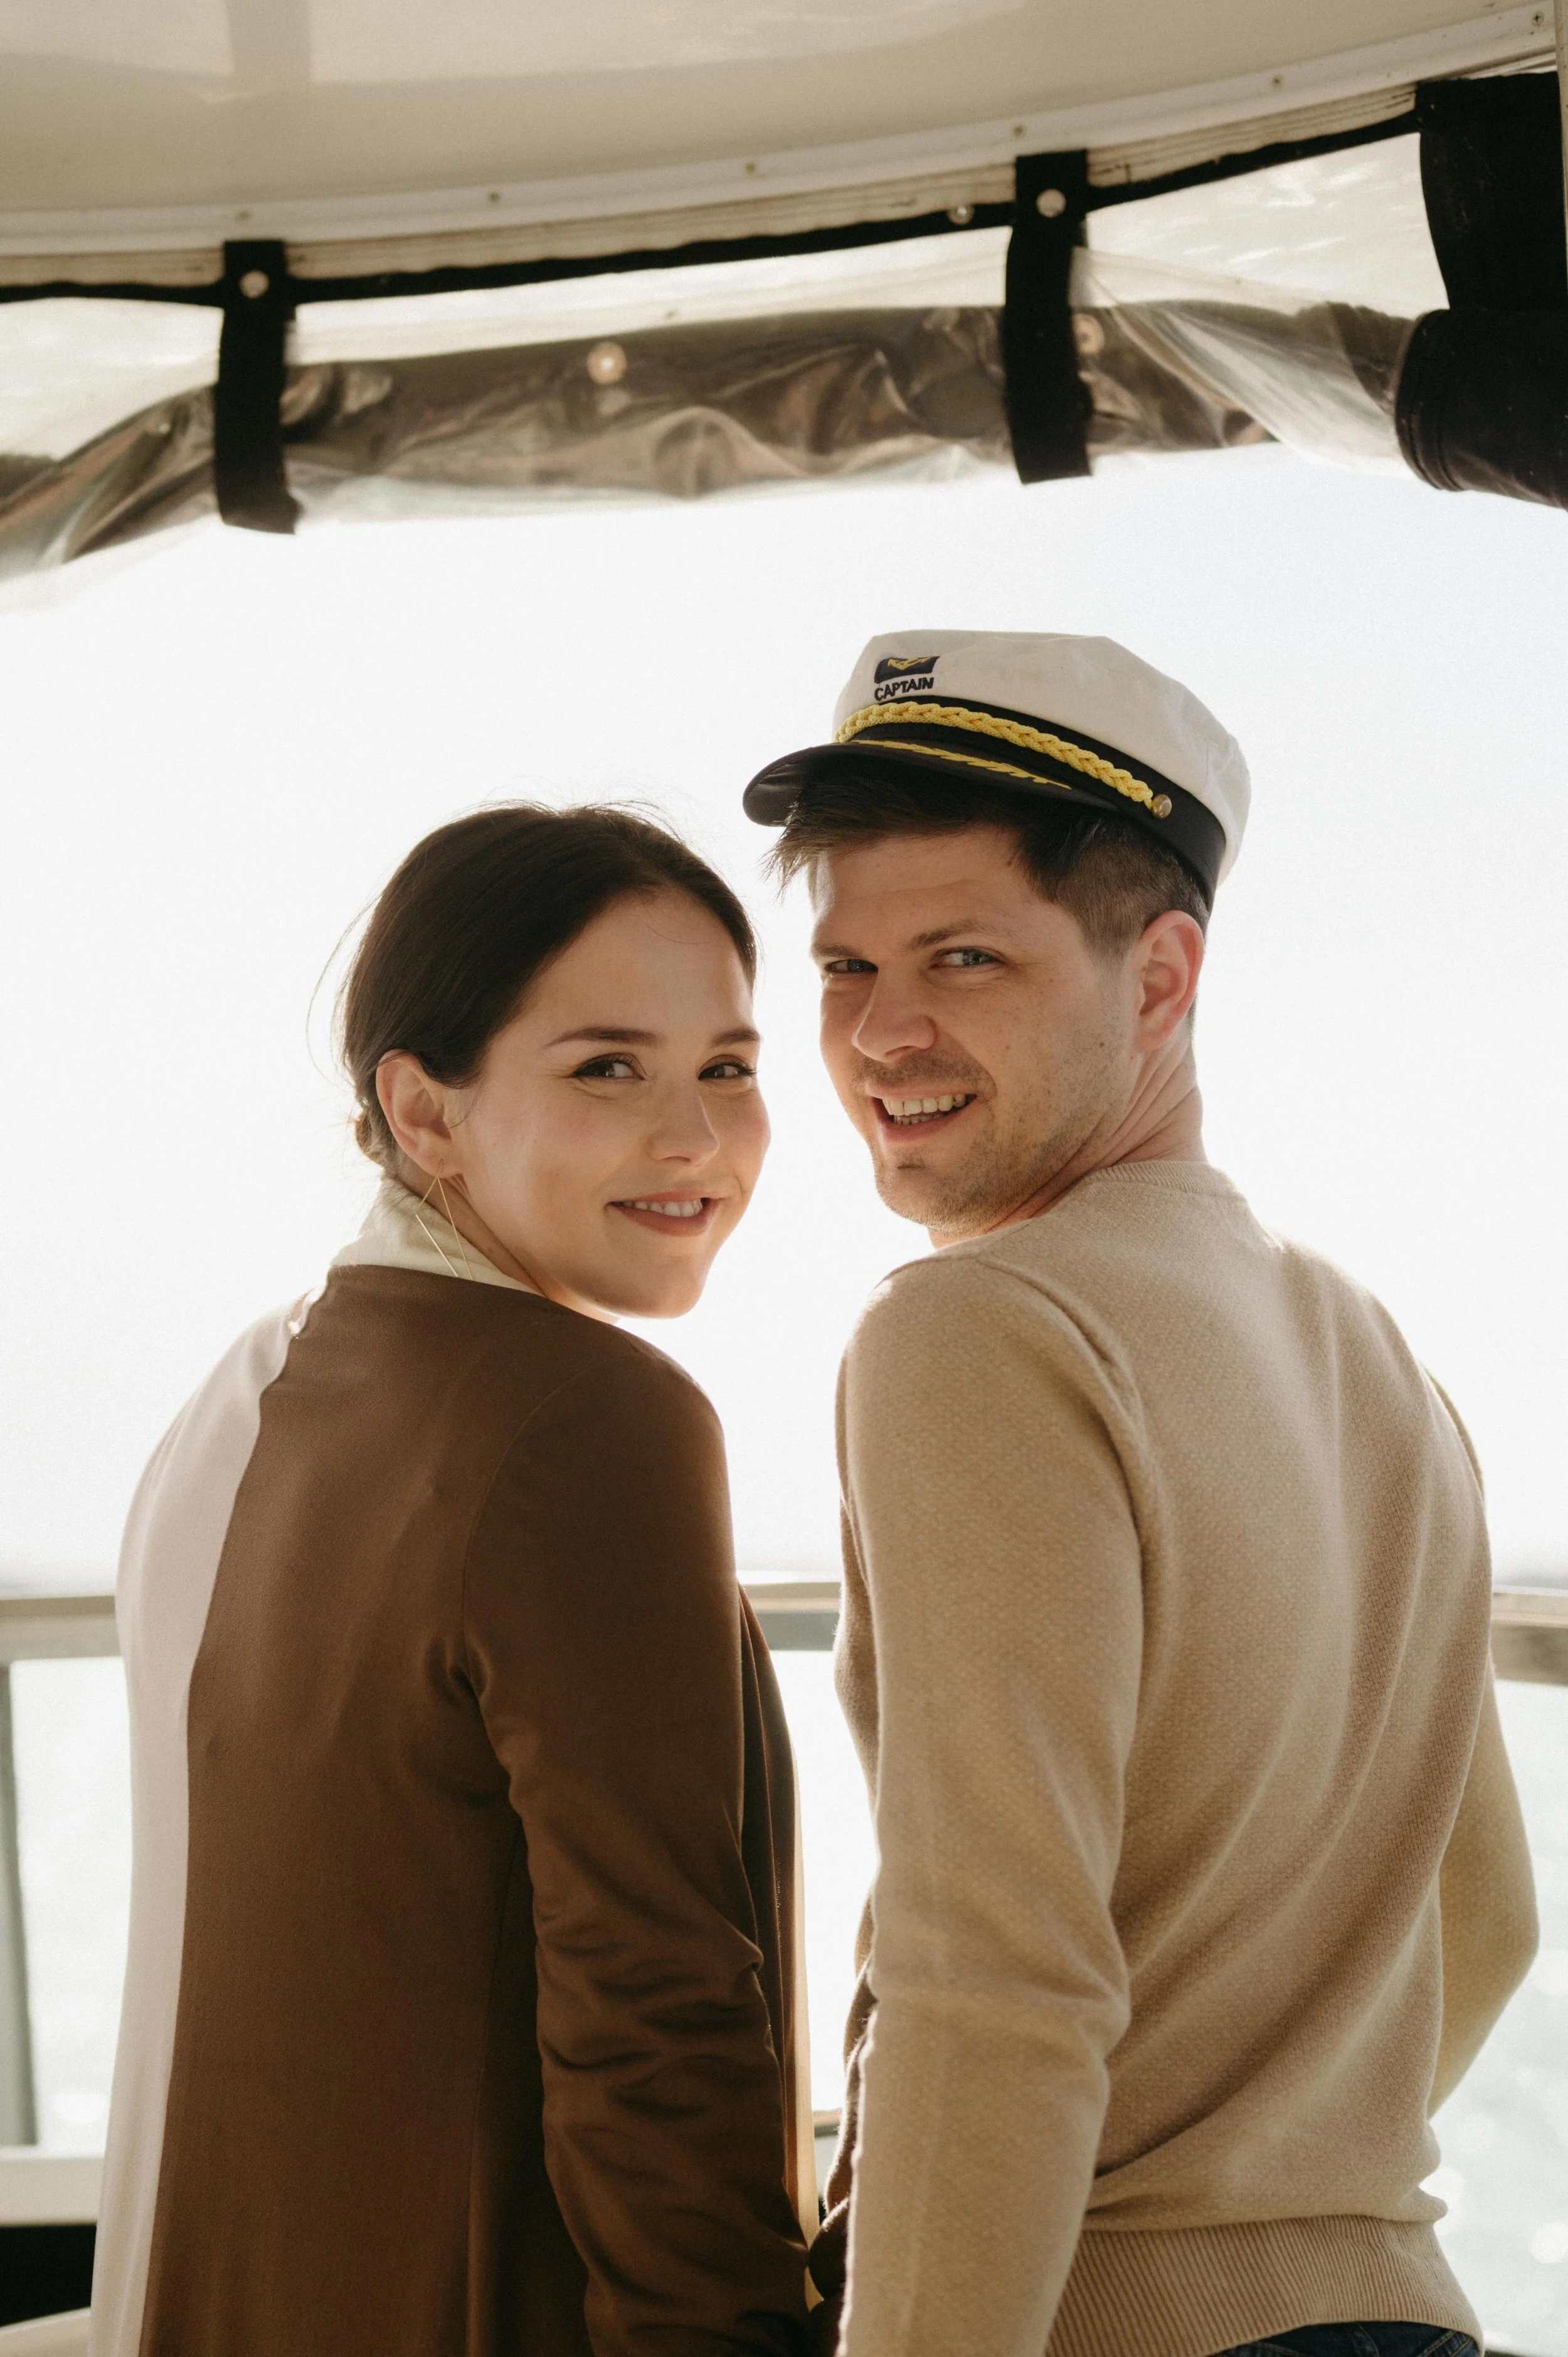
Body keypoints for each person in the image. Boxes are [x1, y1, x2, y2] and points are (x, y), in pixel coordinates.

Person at [742, 632, 1538, 2357]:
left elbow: (991, 1984)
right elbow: (1486, 1914)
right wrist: (1276, 2165)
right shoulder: (1374, 1351)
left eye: (966, 956)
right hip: (1398, 2318)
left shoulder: (976, 1330)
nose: (882, 1031)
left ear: (1160, 977)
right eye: (844, 964)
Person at [90, 806, 813, 2357]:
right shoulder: (588, 1416)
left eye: (731, 1066)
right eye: (605, 1066)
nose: (695, 1138)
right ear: (423, 1111)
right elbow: (657, 2010)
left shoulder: (247, 1397)